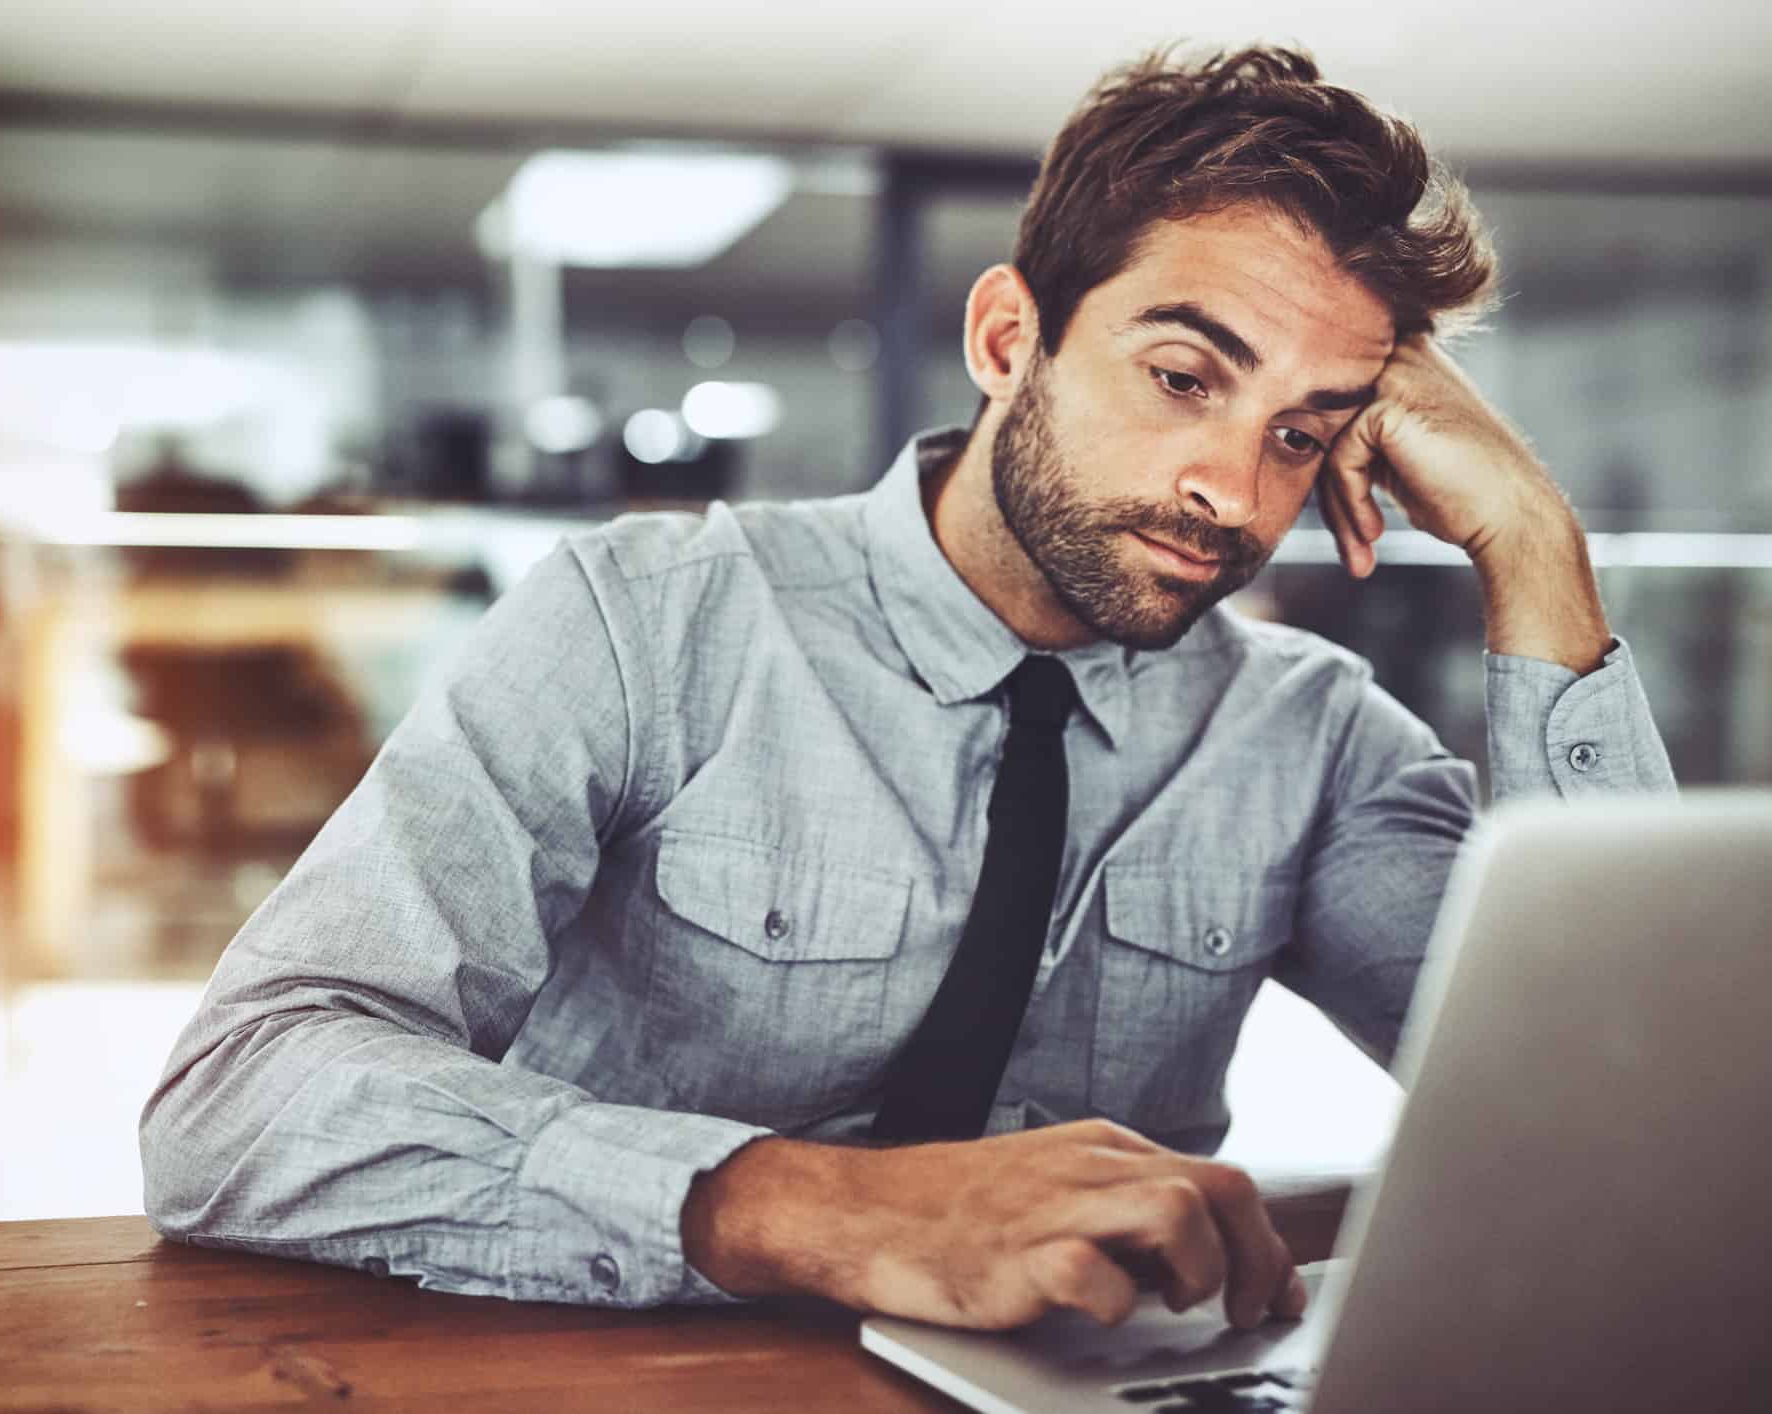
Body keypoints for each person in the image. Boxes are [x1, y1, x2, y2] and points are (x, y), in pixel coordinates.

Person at [139, 47, 1674, 1335]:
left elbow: (1638, 1137)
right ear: (1011, 339)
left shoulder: (1313, 742)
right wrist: (810, 1206)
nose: (1232, 488)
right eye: (1185, 376)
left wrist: (1534, 544)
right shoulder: (652, 621)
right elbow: (240, 1101)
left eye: (1304, 430)